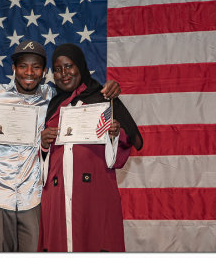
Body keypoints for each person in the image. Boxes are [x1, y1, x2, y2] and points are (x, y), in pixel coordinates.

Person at [0, 40, 121, 252]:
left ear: (44, 71)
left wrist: (109, 87)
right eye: (22, 66)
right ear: (13, 69)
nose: (29, 72)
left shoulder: (53, 96)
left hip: (33, 195)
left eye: (36, 67)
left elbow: (82, 89)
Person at [38, 43, 143, 252]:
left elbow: (131, 140)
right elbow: (41, 162)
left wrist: (115, 134)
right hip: (57, 196)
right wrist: (43, 144)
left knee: (95, 240)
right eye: (57, 69)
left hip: (94, 192)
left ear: (81, 66)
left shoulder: (103, 98)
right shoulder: (53, 106)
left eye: (69, 66)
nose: (63, 74)